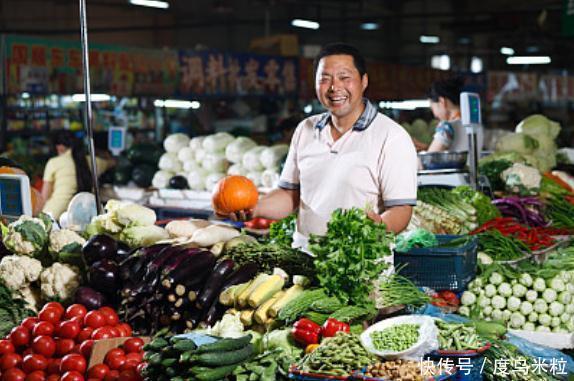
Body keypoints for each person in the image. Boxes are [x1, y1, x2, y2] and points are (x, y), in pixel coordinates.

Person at [225, 43, 418, 248]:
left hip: (359, 265)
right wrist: (255, 208)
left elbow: (401, 209)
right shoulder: (305, 129)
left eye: (344, 78)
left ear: (364, 81)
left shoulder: (391, 136)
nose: (335, 87)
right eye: (325, 79)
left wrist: (379, 227)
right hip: (305, 259)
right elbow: (290, 195)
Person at [413, 77, 483, 153]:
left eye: (432, 107)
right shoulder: (477, 126)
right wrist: (427, 147)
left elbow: (430, 158)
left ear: (442, 102)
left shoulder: (446, 127)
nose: (434, 114)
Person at [40, 130, 95, 219]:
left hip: (53, 215)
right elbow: (111, 162)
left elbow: (44, 197)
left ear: (59, 147)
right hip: (82, 217)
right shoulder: (91, 161)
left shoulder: (53, 162)